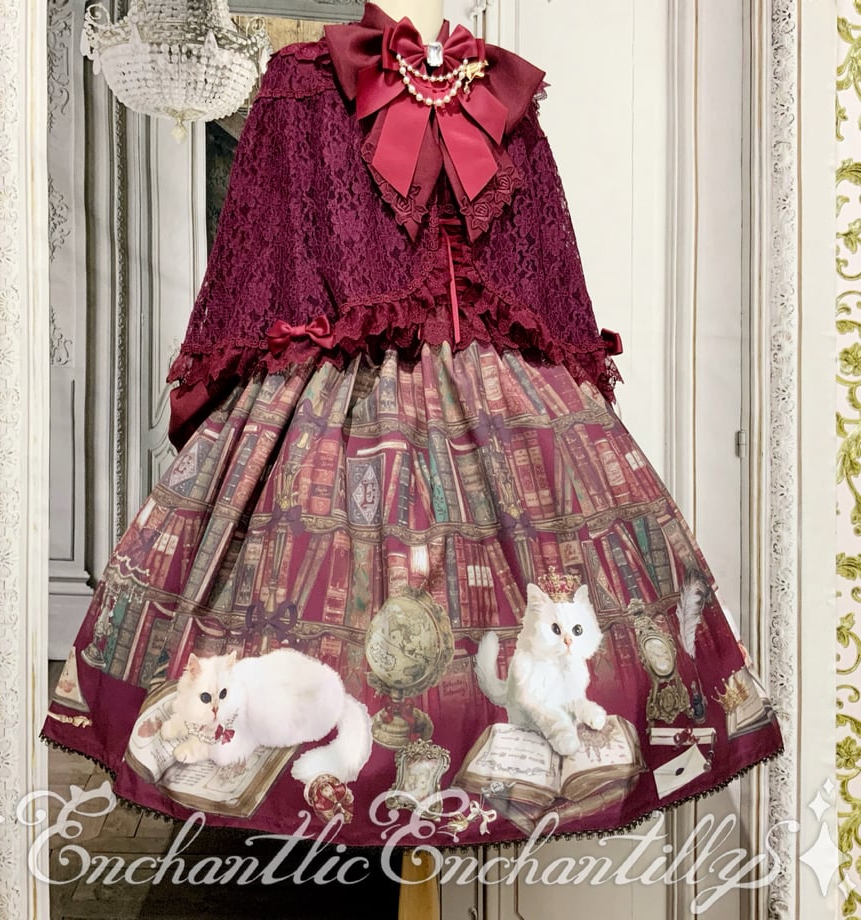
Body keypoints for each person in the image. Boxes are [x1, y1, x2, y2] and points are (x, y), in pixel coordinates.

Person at [42, 1, 782, 850]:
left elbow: (546, 275)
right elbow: (258, 260)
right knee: (334, 641)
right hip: (334, 394)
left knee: (512, 657)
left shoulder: (502, 93)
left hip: (493, 402)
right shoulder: (301, 84)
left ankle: (493, 766)